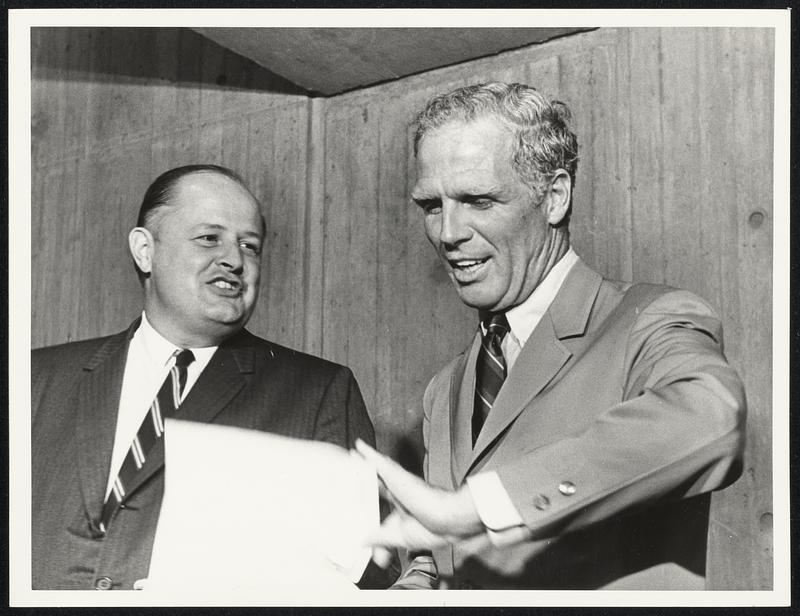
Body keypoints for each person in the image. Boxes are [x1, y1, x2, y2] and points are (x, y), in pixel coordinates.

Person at [355, 82, 746, 590]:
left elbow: (712, 418)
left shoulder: (649, 320)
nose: (448, 232)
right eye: (432, 205)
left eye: (477, 199)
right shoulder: (445, 389)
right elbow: (440, 551)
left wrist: (479, 507)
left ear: (555, 197)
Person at [31, 164, 380, 590]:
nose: (234, 260)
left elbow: (361, 576)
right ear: (145, 250)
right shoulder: (34, 380)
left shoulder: (319, 392)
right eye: (209, 238)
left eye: (249, 246)